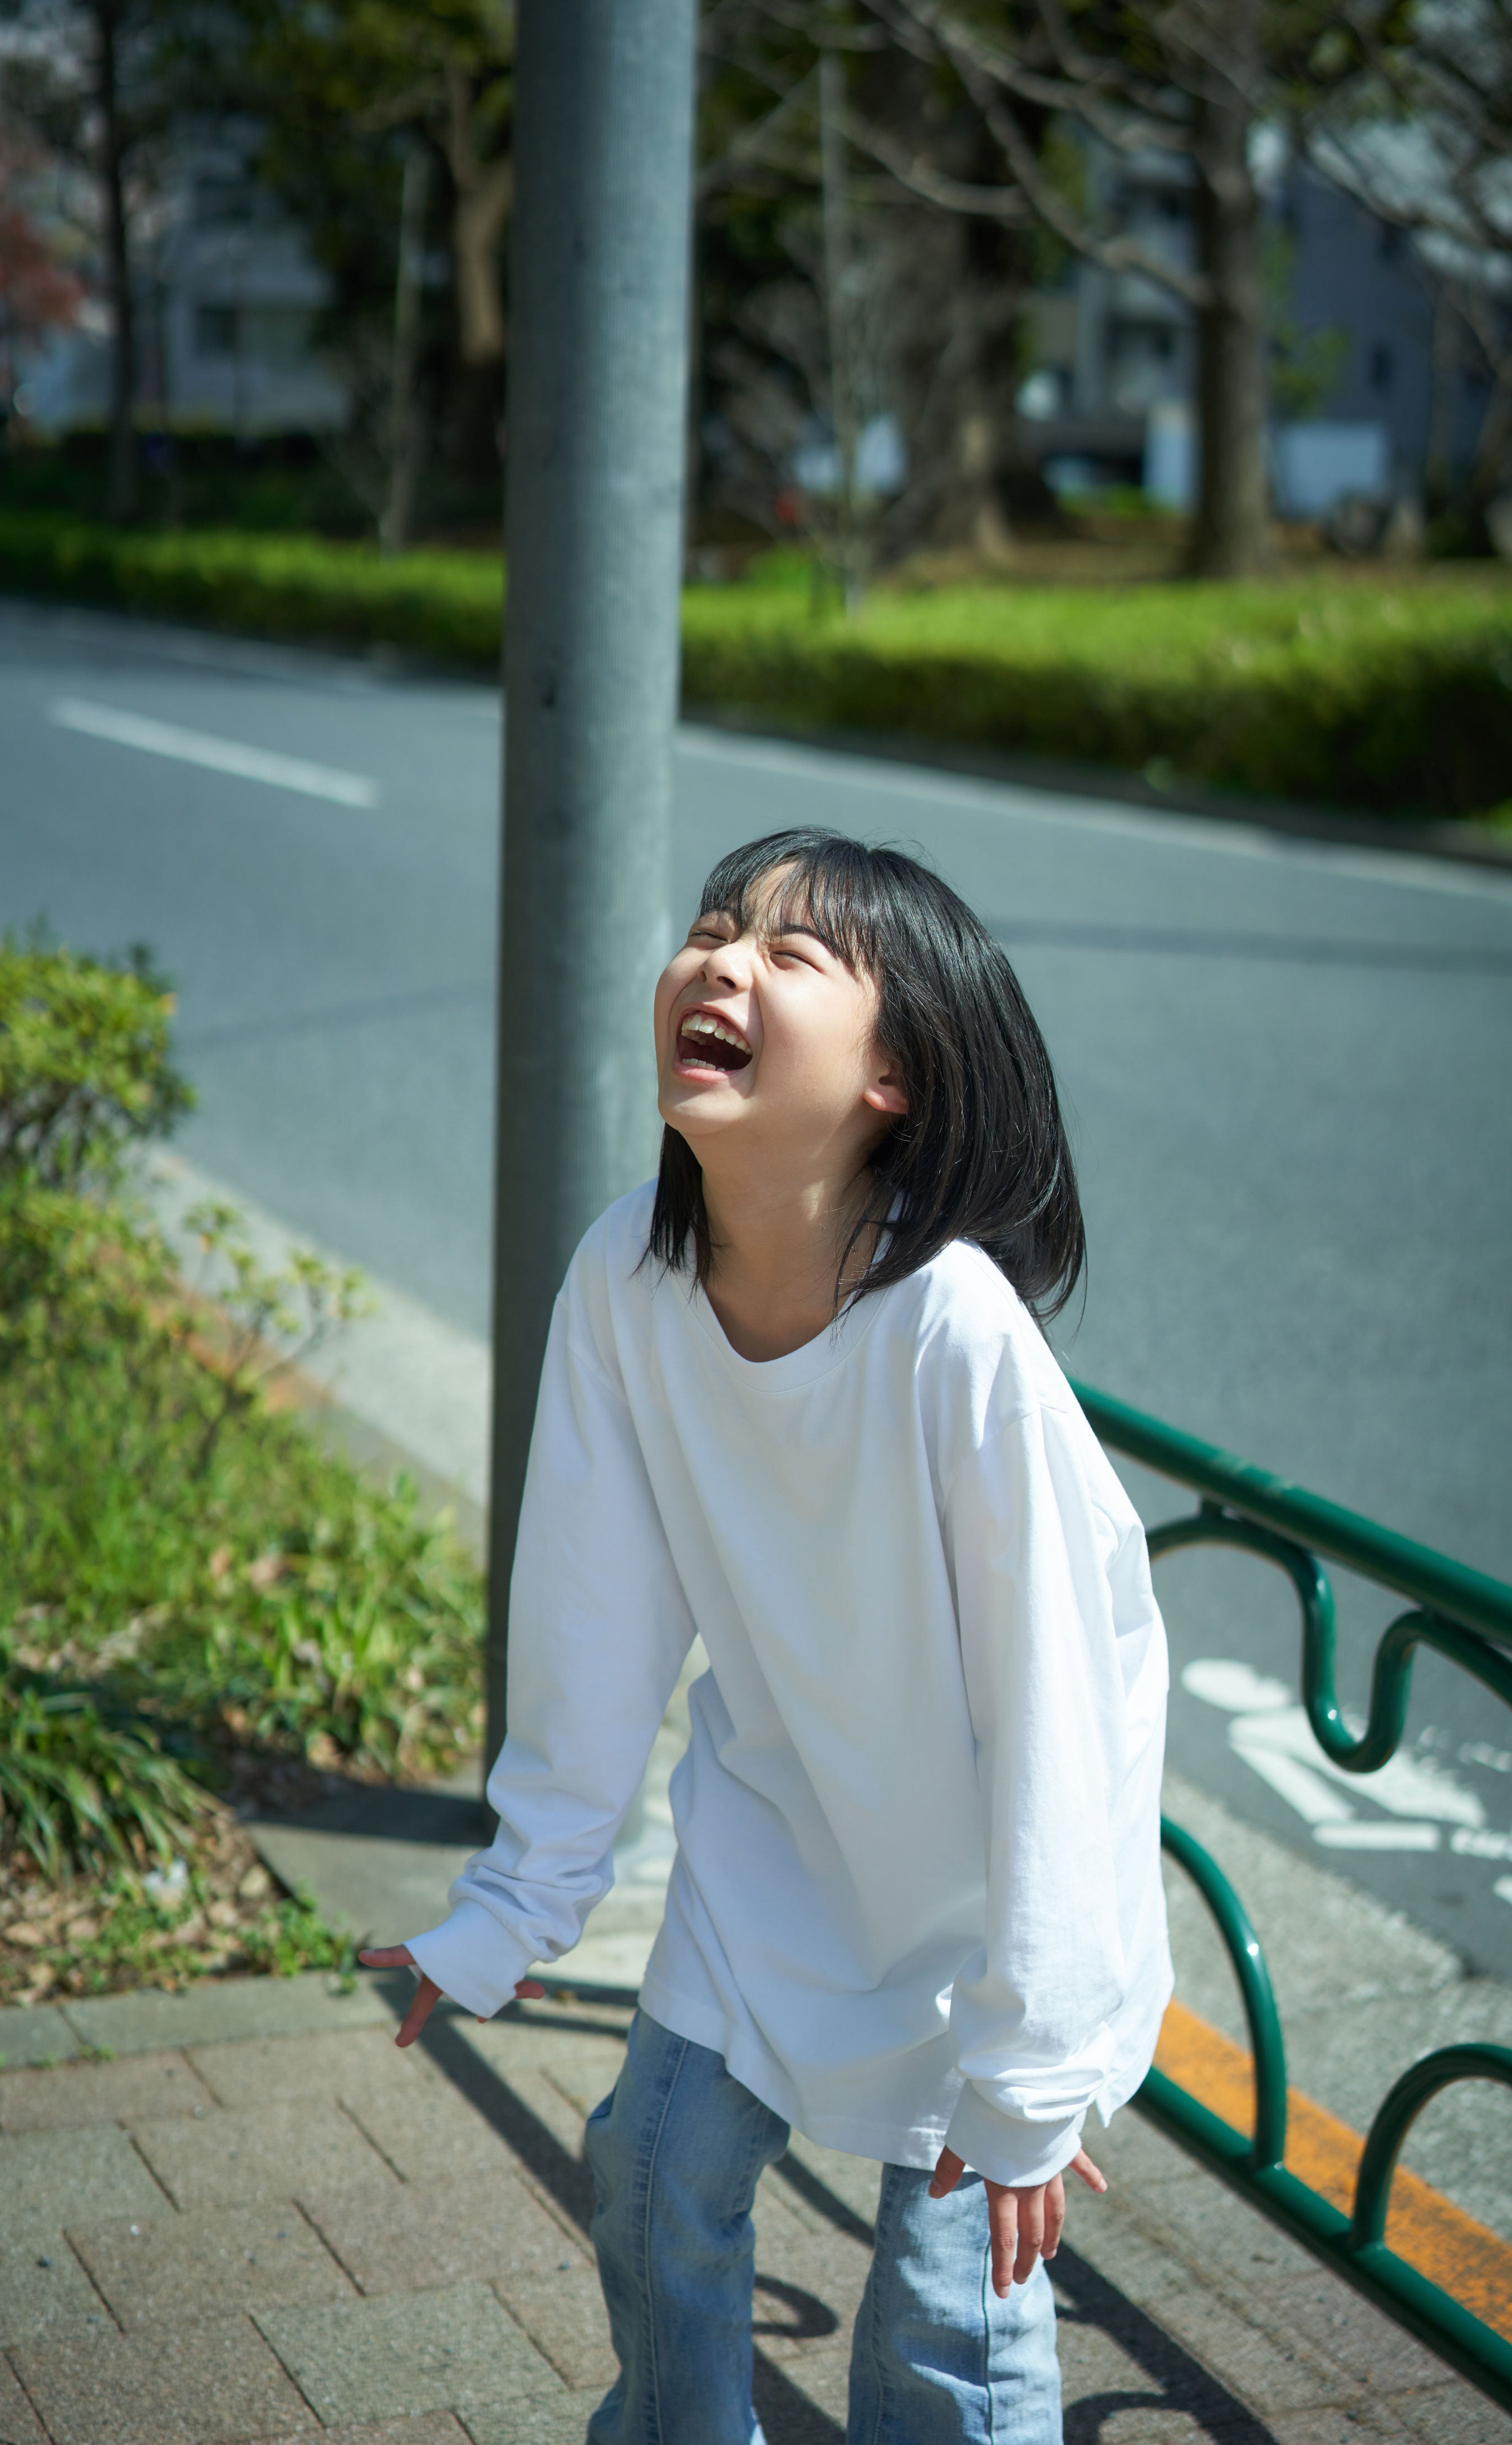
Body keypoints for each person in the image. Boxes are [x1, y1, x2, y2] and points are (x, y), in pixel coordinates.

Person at [361, 827, 1171, 2444]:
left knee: (944, 2331)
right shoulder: (626, 1276)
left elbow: (1065, 1713)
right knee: (653, 2170)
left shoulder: (953, 1332)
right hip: (776, 1844)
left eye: (793, 954)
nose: (721, 960)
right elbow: (593, 1611)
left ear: (898, 1079)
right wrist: (518, 1899)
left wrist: (1036, 2060)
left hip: (984, 1908)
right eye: (714, 928)